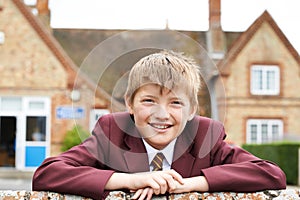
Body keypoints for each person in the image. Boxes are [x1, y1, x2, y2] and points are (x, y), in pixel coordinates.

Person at [32, 50, 286, 200]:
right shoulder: (113, 131)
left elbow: (271, 174)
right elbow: (47, 173)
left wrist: (191, 183)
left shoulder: (205, 136)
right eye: (149, 101)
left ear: (192, 111)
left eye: (175, 102)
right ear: (130, 104)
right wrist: (128, 180)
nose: (161, 114)